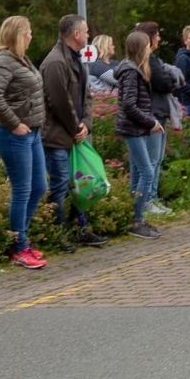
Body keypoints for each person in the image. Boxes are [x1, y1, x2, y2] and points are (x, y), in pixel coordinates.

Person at [0, 16, 48, 268]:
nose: (31, 36)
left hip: (32, 133)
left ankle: (21, 239)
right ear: (17, 35)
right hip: (14, 135)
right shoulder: (3, 61)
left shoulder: (21, 58)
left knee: (39, 187)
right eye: (28, 32)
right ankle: (19, 248)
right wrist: (14, 123)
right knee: (22, 190)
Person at [40, 15, 108, 250]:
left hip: (75, 135)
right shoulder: (55, 62)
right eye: (86, 32)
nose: (89, 36)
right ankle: (56, 234)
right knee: (60, 185)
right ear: (76, 35)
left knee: (80, 184)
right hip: (57, 138)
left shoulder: (77, 60)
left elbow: (86, 96)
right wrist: (75, 127)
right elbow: (58, 101)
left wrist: (86, 124)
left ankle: (81, 229)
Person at [115, 31, 165, 239]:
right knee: (147, 172)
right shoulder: (131, 72)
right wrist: (150, 121)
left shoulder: (135, 70)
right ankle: (136, 220)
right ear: (140, 49)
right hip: (132, 128)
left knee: (138, 172)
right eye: (146, 46)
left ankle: (136, 216)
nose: (149, 48)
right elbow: (128, 104)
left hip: (136, 127)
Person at [135, 22, 179, 215]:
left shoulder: (153, 59)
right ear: (149, 37)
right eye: (157, 35)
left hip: (159, 112)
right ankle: (147, 201)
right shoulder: (148, 60)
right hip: (153, 114)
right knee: (151, 160)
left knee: (157, 158)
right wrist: (170, 79)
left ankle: (152, 197)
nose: (159, 38)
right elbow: (164, 82)